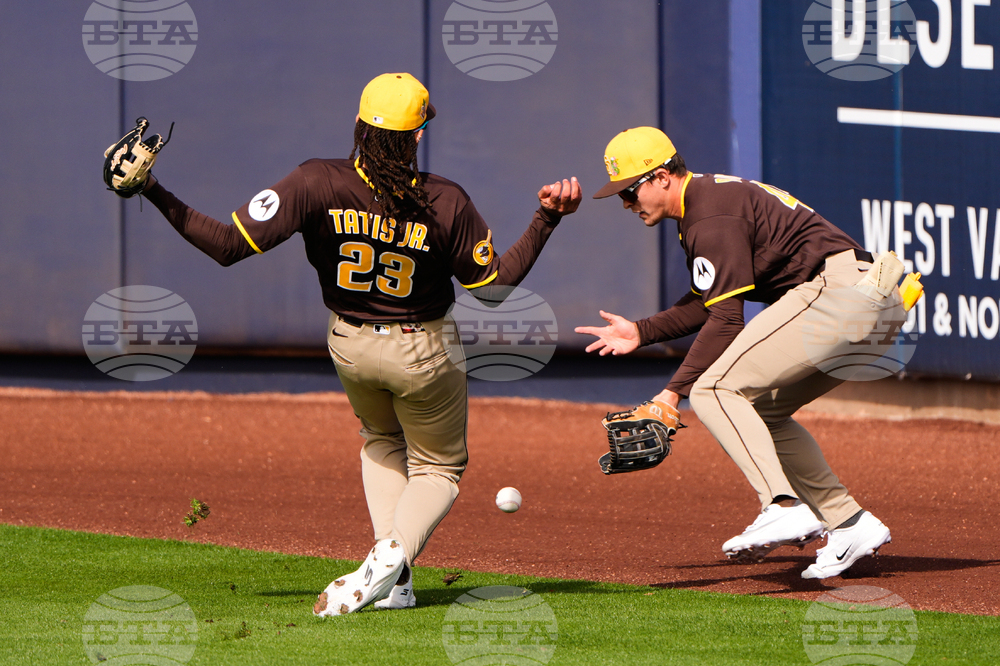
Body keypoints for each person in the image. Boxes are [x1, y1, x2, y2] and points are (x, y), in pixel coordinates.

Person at [134, 73, 582, 613]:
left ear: (359, 127)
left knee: (380, 440)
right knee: (439, 468)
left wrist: (153, 189)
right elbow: (495, 288)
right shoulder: (444, 200)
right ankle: (392, 554)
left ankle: (397, 584)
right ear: (417, 137)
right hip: (423, 348)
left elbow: (227, 245)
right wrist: (546, 219)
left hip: (349, 343)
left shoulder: (314, 181)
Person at [576, 126, 900, 579]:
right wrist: (641, 331)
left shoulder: (709, 218)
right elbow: (708, 304)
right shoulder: (708, 204)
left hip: (838, 294)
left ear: (663, 176)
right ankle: (849, 523)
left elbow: (726, 321)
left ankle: (782, 505)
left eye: (630, 192)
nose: (627, 204)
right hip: (875, 306)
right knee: (764, 412)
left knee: (713, 391)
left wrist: (672, 395)